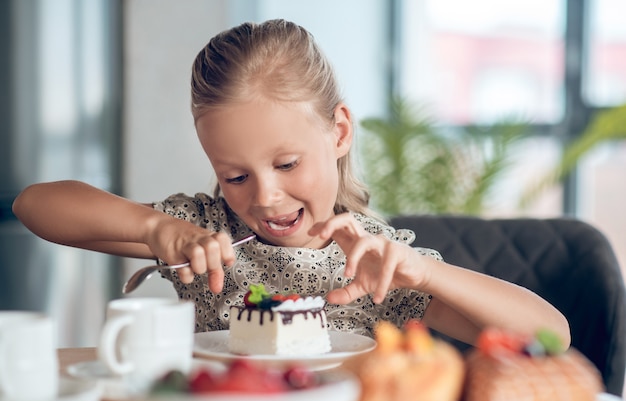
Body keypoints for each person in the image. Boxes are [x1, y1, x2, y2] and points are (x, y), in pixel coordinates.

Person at [12, 19, 570, 347]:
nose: (264, 196)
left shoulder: (379, 268)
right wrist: (156, 228)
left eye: (286, 165)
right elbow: (35, 205)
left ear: (340, 132)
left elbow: (550, 334)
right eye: (235, 175)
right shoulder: (206, 238)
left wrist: (426, 272)